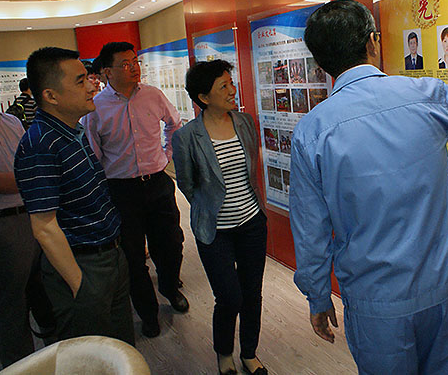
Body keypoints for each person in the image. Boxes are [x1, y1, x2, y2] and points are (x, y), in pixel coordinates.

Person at [290, 0, 448, 375]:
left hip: (376, 303)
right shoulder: (424, 95)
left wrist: (318, 297)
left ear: (321, 63)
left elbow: (310, 231)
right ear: (373, 41)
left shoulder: (312, 132)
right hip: (444, 286)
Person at [13, 47, 134, 346]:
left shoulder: (72, 132)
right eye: (81, 81)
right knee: (92, 355)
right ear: (51, 96)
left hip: (110, 256)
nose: (93, 86)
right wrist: (80, 285)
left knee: (120, 349)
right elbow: (44, 226)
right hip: (84, 265)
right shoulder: (40, 145)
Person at [82, 42, 187, 339]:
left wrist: (166, 155)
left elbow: (174, 125)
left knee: (171, 244)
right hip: (121, 191)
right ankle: (148, 313)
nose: (134, 68)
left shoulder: (153, 95)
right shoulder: (95, 108)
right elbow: (93, 153)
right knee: (132, 257)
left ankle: (170, 287)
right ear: (107, 71)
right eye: (125, 64)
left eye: (135, 61)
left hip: (157, 183)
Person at [172, 60, 268, 375]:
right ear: (203, 97)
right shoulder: (187, 136)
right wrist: (211, 207)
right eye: (223, 86)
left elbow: (251, 169)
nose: (232, 90)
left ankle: (249, 353)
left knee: (252, 293)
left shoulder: (245, 122)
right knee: (229, 296)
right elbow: (187, 184)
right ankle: (224, 354)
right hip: (215, 230)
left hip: (252, 222)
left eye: (231, 82)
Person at [0, 80, 55, 369]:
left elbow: (29, 160)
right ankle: (20, 367)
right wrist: (33, 176)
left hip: (33, 214)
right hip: (5, 224)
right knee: (12, 305)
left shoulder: (11, 122)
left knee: (45, 291)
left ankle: (55, 355)